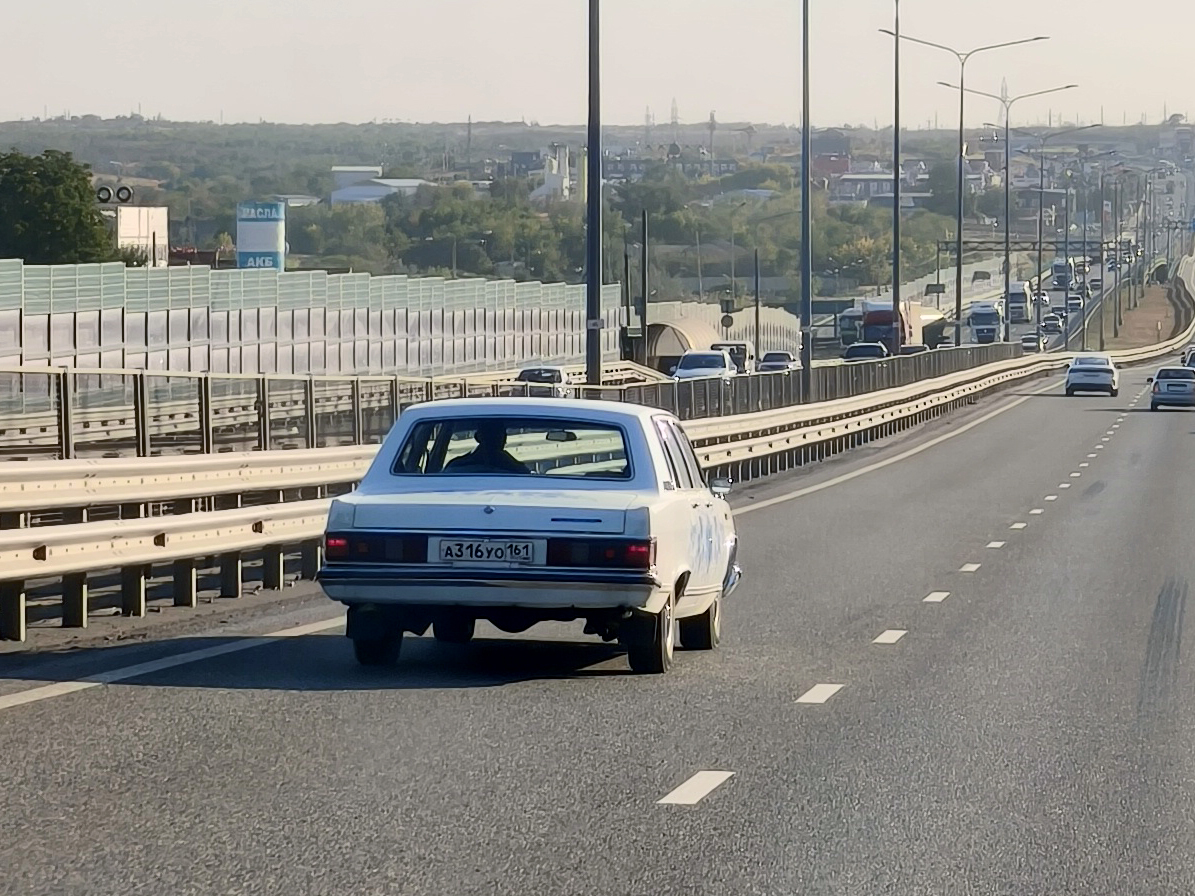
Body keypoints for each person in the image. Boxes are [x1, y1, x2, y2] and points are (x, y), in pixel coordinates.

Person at [444, 420, 529, 474]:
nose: (494, 439)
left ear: (477, 437)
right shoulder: (517, 470)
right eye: (490, 435)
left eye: (497, 435)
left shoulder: (456, 467)